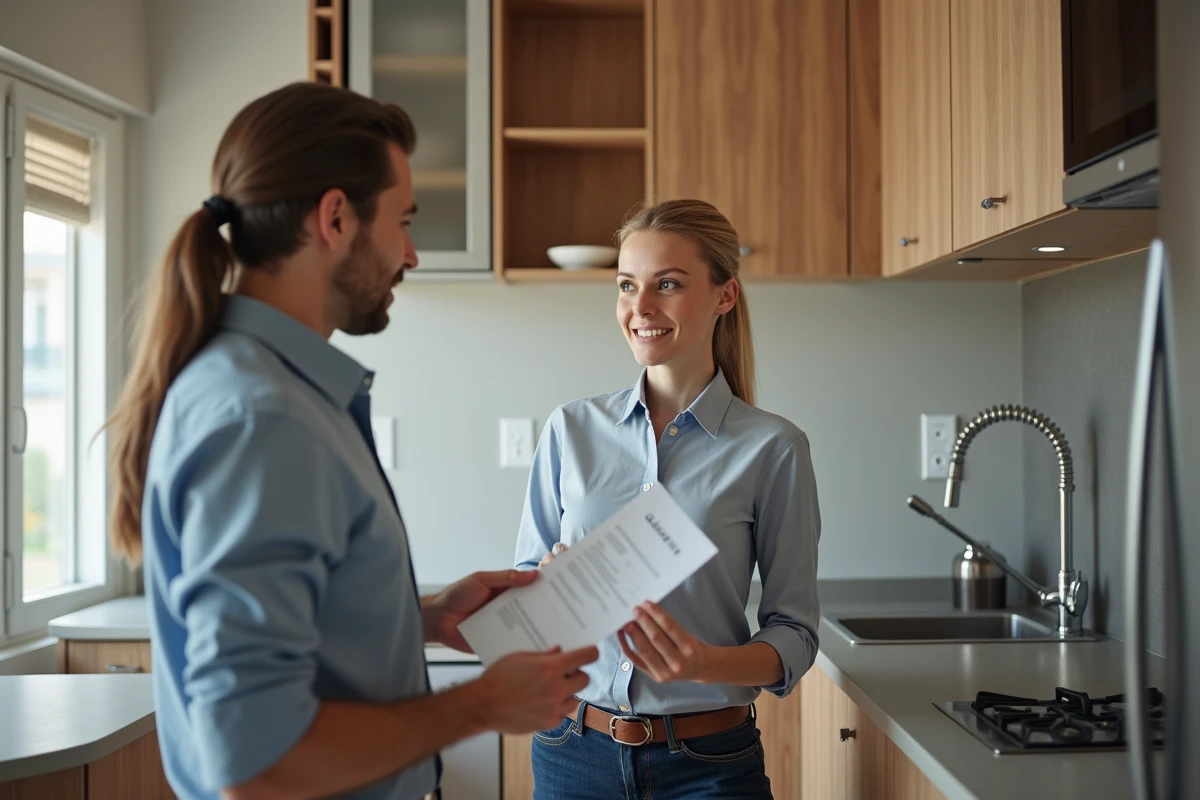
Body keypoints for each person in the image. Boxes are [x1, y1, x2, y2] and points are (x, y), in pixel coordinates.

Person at [103, 82, 598, 800]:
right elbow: (253, 761)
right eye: (402, 220)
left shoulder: (274, 391)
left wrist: (421, 618)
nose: (412, 254)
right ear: (335, 217)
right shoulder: (263, 419)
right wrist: (481, 705)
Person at [513, 199, 821, 799]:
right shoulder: (570, 430)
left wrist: (705, 663)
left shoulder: (774, 447)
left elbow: (795, 634)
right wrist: (548, 593)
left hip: (709, 765)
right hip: (571, 751)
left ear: (724, 296)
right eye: (627, 285)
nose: (641, 308)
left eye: (669, 284)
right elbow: (526, 589)